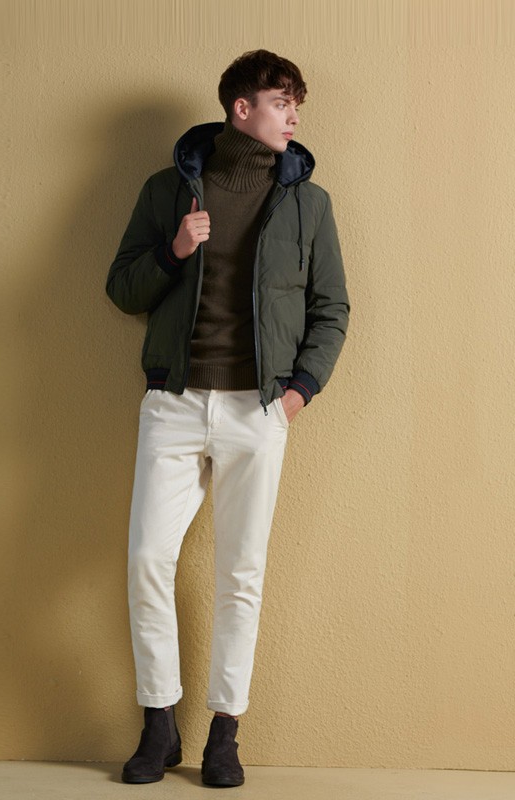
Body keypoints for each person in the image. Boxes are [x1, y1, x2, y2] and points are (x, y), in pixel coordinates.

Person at [106, 49, 350, 787]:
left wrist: (299, 391)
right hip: (175, 402)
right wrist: (175, 251)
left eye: (296, 104)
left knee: (242, 573)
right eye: (282, 102)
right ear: (241, 108)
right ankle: (159, 724)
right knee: (147, 559)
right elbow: (122, 287)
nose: (294, 116)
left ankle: (224, 733)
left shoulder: (309, 203)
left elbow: (332, 308)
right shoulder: (166, 190)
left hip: (258, 407)